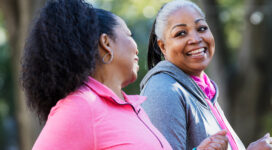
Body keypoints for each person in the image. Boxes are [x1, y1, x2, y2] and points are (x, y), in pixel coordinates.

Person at [21, 0, 229, 149]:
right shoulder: (81, 106)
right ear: (106, 44)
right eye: (128, 35)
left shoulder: (131, 109)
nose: (137, 48)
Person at [140, 0, 272, 150]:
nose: (196, 39)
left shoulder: (204, 90)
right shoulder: (163, 90)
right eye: (181, 33)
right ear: (163, 46)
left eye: (201, 28)